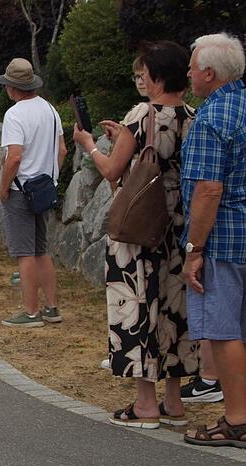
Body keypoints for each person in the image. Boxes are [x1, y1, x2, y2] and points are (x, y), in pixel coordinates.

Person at [72, 43, 198, 428]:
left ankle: (145, 403)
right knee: (175, 307)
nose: (140, 79)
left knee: (139, 302)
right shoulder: (193, 115)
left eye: (144, 73)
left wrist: (91, 145)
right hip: (178, 222)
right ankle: (174, 401)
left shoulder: (143, 114)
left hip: (140, 226)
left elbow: (113, 171)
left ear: (157, 76)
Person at [179, 33, 246, 448]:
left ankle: (237, 419)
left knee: (223, 331)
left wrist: (194, 249)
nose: (187, 74)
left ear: (209, 73)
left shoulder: (211, 117)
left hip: (222, 239)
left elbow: (208, 189)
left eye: (192, 67)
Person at [0, 58, 66, 328]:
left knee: (24, 252)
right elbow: (62, 150)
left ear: (13, 88)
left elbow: (14, 157)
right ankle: (51, 307)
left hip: (21, 188)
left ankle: (31, 311)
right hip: (44, 187)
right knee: (41, 249)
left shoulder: (14, 114)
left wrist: (4, 187)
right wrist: (52, 178)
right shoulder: (50, 110)